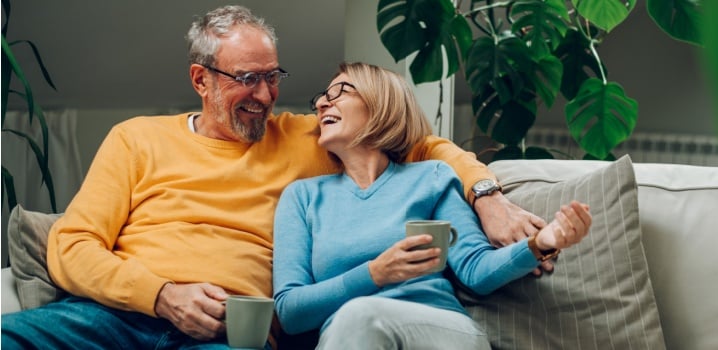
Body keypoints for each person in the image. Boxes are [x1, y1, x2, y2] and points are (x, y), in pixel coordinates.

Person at [1, 5, 550, 350]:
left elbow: (417, 140)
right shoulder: (135, 138)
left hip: (228, 334)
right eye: (248, 79)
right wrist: (161, 294)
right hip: (113, 318)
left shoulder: (305, 137)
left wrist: (485, 194)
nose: (265, 96)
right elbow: (71, 245)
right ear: (202, 79)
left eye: (273, 77)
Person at [272, 62, 593, 349]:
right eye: (321, 97)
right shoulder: (302, 198)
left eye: (341, 91)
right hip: (350, 334)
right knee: (357, 316)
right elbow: (290, 312)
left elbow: (476, 269)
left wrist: (543, 242)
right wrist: (375, 273)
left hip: (440, 330)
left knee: (359, 315)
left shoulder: (430, 177)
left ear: (381, 102)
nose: (322, 102)